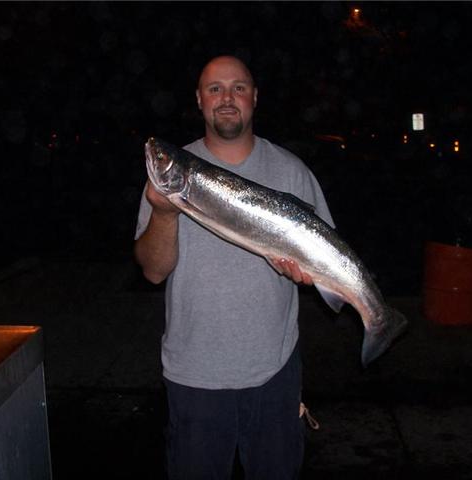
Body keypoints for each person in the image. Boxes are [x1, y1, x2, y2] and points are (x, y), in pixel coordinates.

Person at [134, 55, 335, 479]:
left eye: (238, 88)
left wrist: (310, 274)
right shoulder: (170, 178)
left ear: (254, 97)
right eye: (215, 89)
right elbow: (153, 271)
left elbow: (326, 254)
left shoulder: (292, 171)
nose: (227, 98)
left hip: (274, 371)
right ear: (200, 100)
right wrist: (164, 213)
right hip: (194, 373)